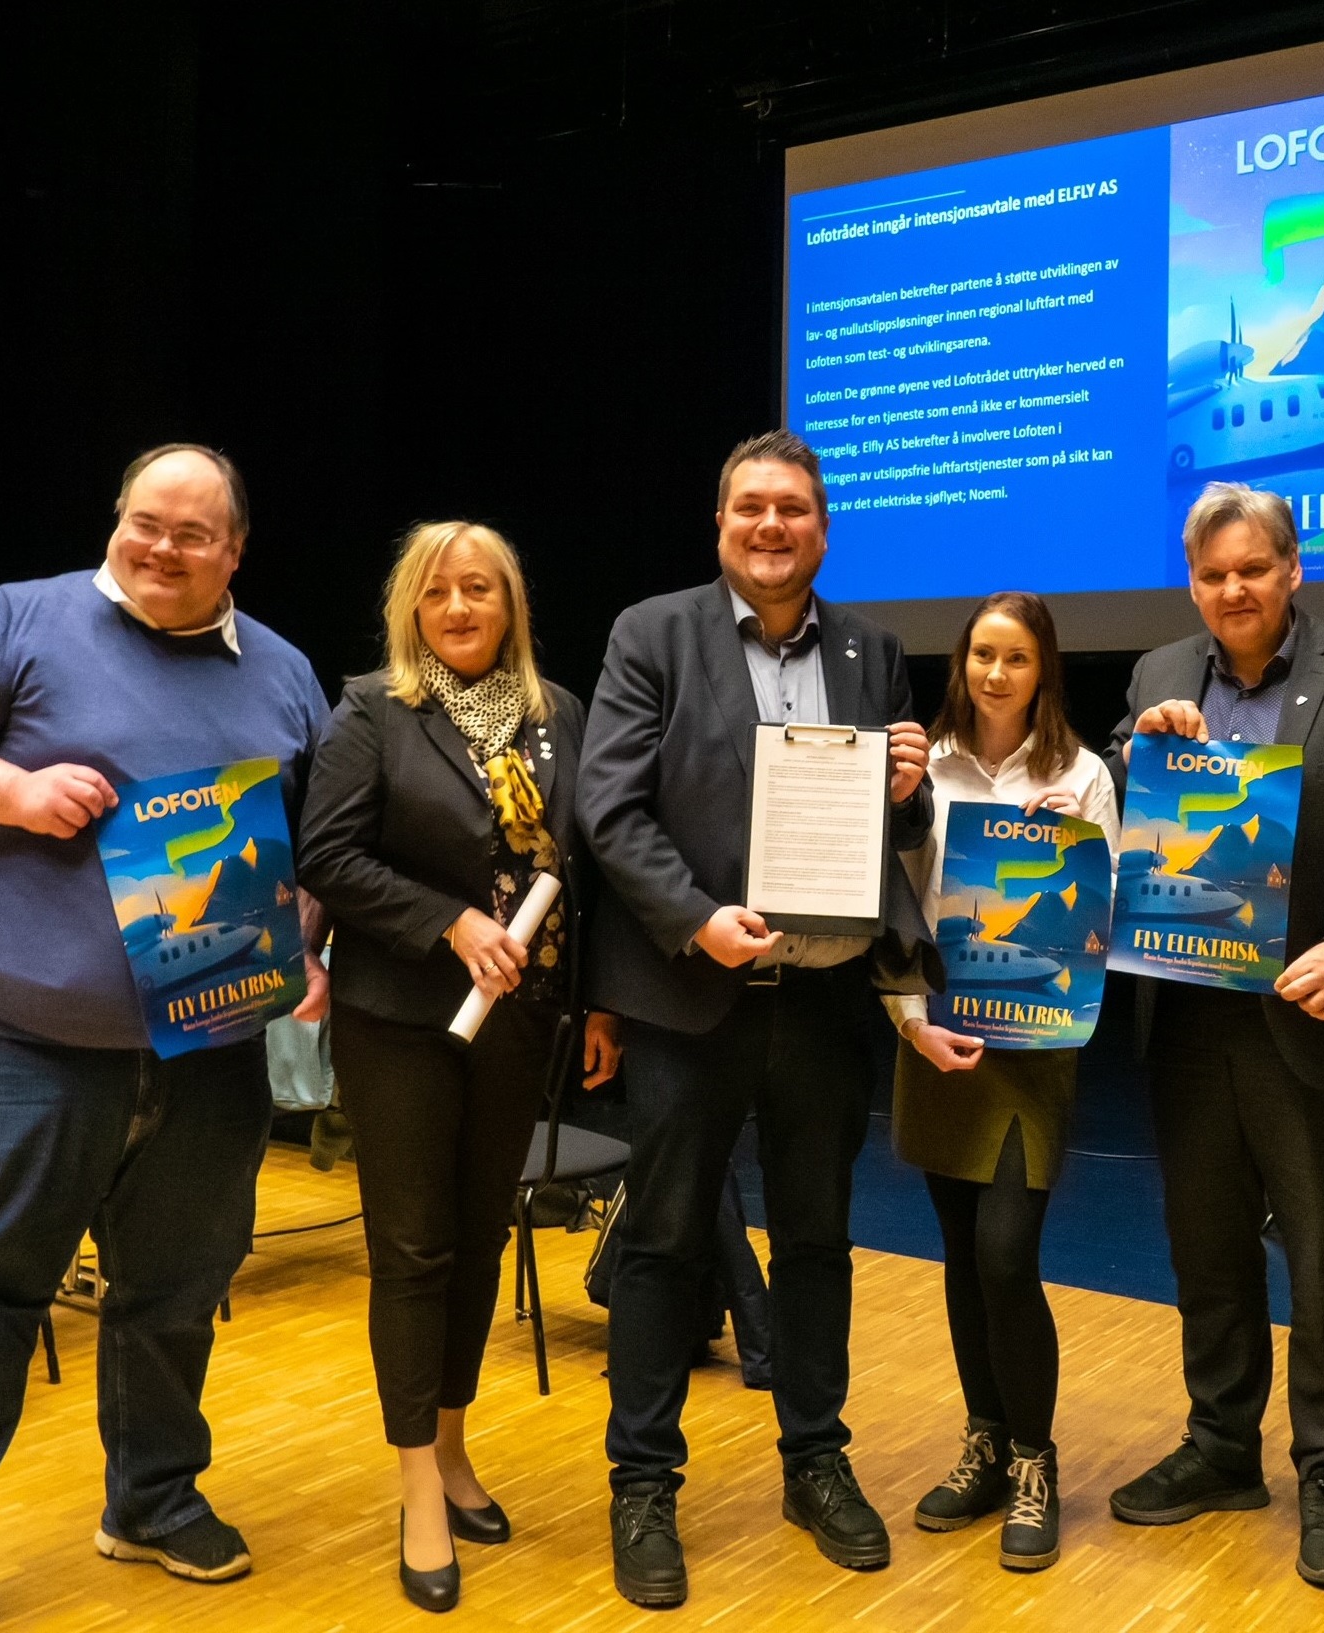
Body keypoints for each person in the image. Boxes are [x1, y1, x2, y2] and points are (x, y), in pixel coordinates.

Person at [0, 444, 330, 1633]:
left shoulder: (287, 672)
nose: (161, 547)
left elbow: (313, 842)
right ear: (116, 522)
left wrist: (301, 937)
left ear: (235, 552)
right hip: (17, 1046)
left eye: (191, 534)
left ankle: (152, 1500)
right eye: (143, 523)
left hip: (210, 1054)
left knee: (177, 1290)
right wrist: (12, 792)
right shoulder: (19, 621)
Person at [577, 429, 938, 1609]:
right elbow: (609, 809)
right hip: (691, 998)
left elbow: (891, 826)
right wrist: (693, 920)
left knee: (819, 1237)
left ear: (822, 528)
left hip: (824, 1003)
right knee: (664, 1239)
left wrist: (908, 785)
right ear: (720, 526)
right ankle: (643, 1484)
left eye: (792, 508)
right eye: (750, 509)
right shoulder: (652, 633)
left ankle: (815, 1459)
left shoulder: (872, 649)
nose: (771, 526)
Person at [1105, 481, 1324, 1590]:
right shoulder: (1157, 674)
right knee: (1204, 1248)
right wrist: (1129, 756)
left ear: (1292, 569)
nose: (1231, 590)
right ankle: (1219, 1447)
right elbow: (1121, 811)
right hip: (1187, 1010)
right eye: (1210, 576)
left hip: (1314, 1018)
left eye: (1251, 569)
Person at [297, 521, 620, 1613]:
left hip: (521, 1020)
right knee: (414, 1250)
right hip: (400, 1020)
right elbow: (328, 856)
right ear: (412, 610)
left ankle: (451, 1450)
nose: (460, 607)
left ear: (509, 605)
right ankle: (415, 1494)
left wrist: (597, 998)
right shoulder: (373, 711)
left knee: (482, 1240)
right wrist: (447, 925)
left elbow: (581, 865)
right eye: (439, 592)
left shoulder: (555, 716)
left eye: (480, 589)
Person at [886, 592, 1119, 1573]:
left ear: (1043, 669)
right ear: (960, 661)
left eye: (1014, 657)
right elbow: (891, 902)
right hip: (934, 1034)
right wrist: (907, 1021)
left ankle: (1033, 1459)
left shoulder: (1080, 774)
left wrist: (1059, 857)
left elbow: (1110, 912)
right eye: (980, 653)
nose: (993, 672)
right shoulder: (920, 765)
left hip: (1032, 1046)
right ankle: (981, 1445)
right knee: (955, 1252)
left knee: (1004, 1253)